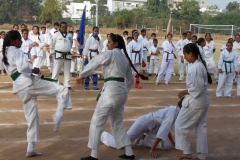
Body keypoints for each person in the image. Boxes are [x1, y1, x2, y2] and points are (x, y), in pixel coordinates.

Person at [75, 33, 148, 160]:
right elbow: (130, 80)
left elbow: (94, 62)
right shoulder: (124, 58)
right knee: (117, 122)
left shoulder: (110, 53)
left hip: (111, 91)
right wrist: (123, 90)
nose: (107, 44)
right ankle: (129, 152)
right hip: (121, 92)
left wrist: (82, 75)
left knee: (97, 122)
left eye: (109, 42)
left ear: (116, 44)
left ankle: (94, 155)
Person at [2, 30, 72, 158]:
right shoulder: (16, 51)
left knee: (32, 116)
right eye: (19, 40)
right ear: (13, 41)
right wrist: (33, 68)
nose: (21, 42)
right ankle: (59, 113)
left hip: (19, 87)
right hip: (27, 82)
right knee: (61, 89)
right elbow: (23, 68)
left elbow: (14, 70)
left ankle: (30, 148)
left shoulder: (5, 53)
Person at [101, 98, 184, 159]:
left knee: (165, 146)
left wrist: (173, 143)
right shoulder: (173, 113)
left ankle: (143, 136)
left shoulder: (176, 111)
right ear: (181, 105)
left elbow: (166, 129)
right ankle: (102, 135)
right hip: (145, 122)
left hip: (154, 127)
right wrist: (152, 149)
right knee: (122, 144)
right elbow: (163, 131)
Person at [175, 43, 212, 160]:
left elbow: (197, 88)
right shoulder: (196, 65)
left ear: (191, 54)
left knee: (180, 125)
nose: (184, 57)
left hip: (197, 101)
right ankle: (201, 156)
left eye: (185, 54)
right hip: (201, 100)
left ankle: (187, 152)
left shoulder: (197, 67)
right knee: (200, 128)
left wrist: (184, 92)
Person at [50, 22, 74, 91]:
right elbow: (52, 44)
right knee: (56, 70)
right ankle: (54, 85)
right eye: (62, 27)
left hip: (67, 54)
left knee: (67, 70)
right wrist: (53, 52)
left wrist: (67, 48)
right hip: (58, 54)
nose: (64, 28)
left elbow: (71, 43)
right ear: (60, 27)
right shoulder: (56, 35)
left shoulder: (69, 35)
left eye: (65, 27)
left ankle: (67, 85)